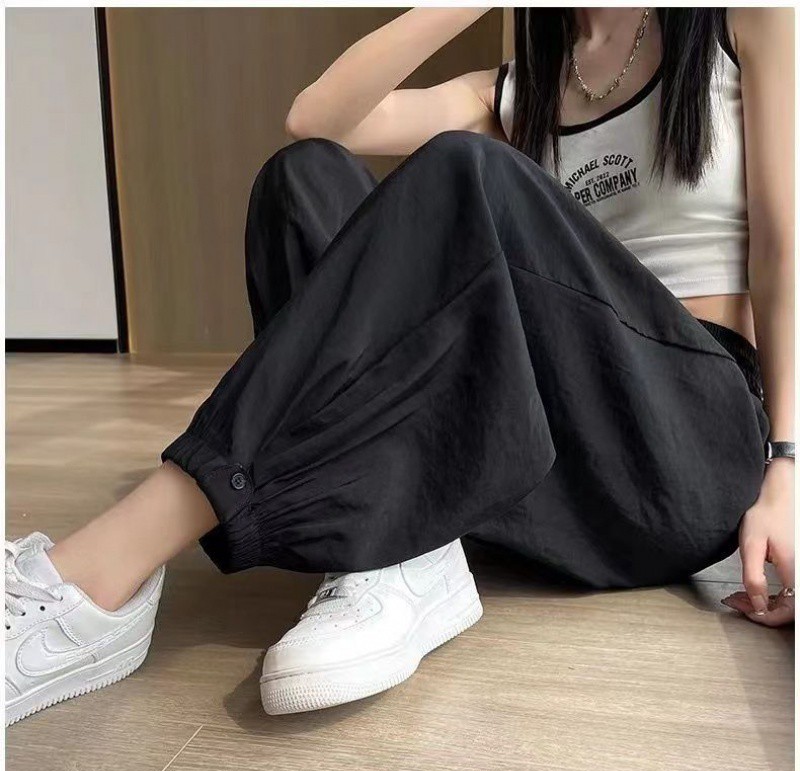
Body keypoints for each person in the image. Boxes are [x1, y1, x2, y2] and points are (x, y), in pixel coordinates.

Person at [5, 7, 794, 726]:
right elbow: (315, 118)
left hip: (679, 449)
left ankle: (99, 577)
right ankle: (399, 554)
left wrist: (787, 466)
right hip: (559, 451)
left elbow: (786, 251)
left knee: (466, 172)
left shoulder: (744, 22)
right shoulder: (517, 89)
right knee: (302, 178)